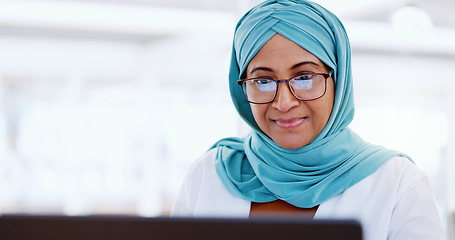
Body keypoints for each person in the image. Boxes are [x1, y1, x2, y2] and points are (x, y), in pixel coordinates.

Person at [171, 0, 444, 239]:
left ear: (339, 80)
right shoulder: (210, 175)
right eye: (263, 80)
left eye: (304, 77)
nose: (284, 102)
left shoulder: (398, 184)